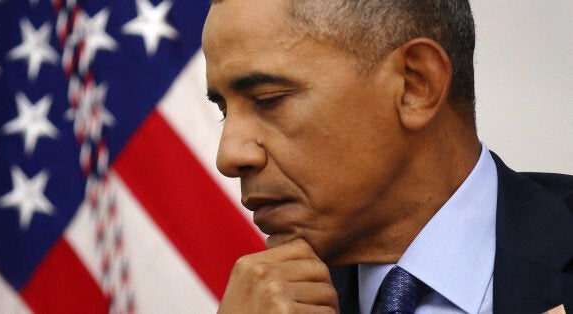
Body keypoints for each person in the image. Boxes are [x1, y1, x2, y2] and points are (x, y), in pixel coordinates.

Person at [201, 0, 573, 313]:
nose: (229, 155)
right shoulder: (264, 301)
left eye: (269, 100)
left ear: (415, 85)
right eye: (223, 111)